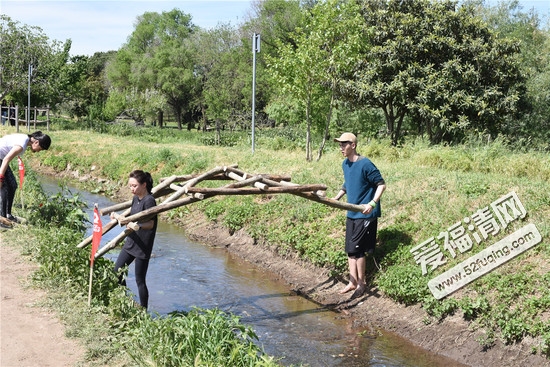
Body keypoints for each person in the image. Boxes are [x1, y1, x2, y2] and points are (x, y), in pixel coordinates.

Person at [332, 132, 386, 298]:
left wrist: (372, 203)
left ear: (353, 145)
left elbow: (381, 184)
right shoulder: (345, 164)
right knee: (350, 250)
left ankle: (362, 284)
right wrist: (335, 198)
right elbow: (347, 184)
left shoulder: (366, 164)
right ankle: (352, 281)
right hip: (352, 213)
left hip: (365, 213)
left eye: (344, 144)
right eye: (340, 144)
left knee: (358, 249)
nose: (341, 147)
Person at [112, 170, 158, 309]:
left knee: (139, 279)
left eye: (134, 186)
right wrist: (118, 216)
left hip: (143, 244)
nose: (132, 189)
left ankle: (143, 310)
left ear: (144, 185)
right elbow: (132, 215)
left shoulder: (149, 200)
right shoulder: (135, 198)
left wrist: (138, 225)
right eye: (130, 186)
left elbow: (151, 224)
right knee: (117, 271)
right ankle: (124, 300)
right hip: (132, 241)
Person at [0, 131, 51, 226]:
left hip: (1, 159)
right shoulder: (22, 144)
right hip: (2, 159)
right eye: (41, 148)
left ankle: (8, 215)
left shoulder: (25, 140)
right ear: (36, 142)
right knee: (5, 188)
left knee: (12, 185)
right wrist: (1, 178)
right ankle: (2, 219)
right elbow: (7, 159)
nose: (39, 151)